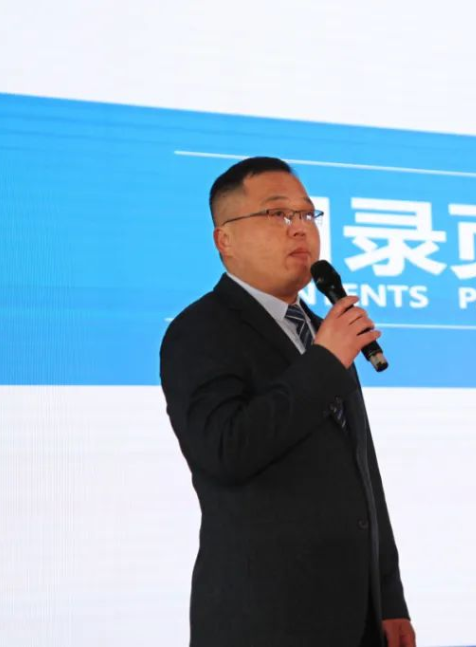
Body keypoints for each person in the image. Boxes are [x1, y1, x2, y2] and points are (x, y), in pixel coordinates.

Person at [160, 157, 415, 647]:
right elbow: (225, 451)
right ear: (225, 239)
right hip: (264, 618)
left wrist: (389, 597)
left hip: (357, 617)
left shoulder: (325, 330)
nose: (300, 228)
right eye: (278, 214)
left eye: (307, 214)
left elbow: (362, 471)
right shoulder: (200, 329)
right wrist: (323, 362)